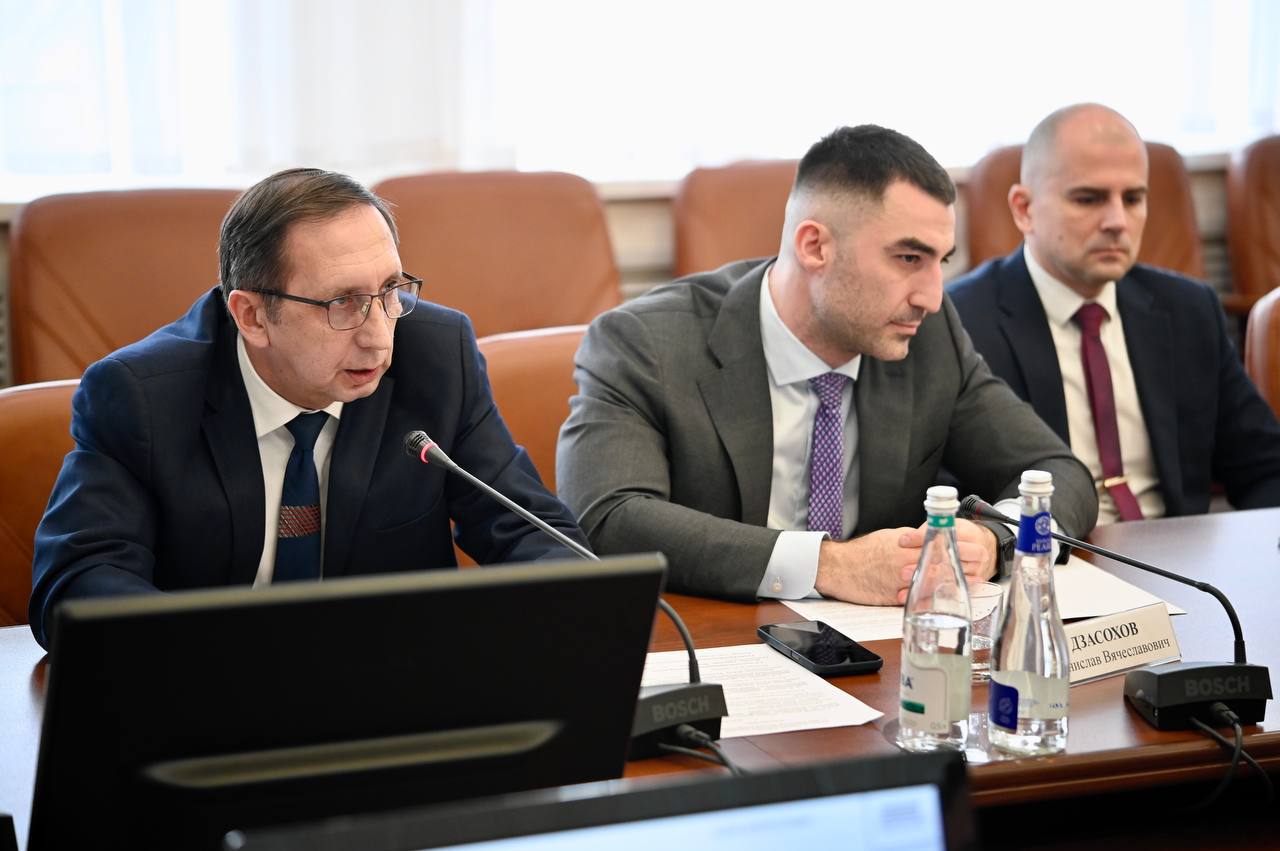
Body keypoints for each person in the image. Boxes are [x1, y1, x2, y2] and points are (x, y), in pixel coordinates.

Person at [29, 168, 586, 648]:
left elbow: (536, 536)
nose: (378, 337)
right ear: (251, 317)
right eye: (342, 302)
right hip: (216, 694)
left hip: (396, 688)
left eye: (390, 291)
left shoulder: (437, 358)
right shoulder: (143, 396)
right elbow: (79, 583)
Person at [556, 125, 1097, 605]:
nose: (932, 297)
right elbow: (607, 517)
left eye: (941, 262)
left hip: (878, 653)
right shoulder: (645, 343)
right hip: (720, 642)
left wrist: (996, 539)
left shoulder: (930, 339)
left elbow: (1058, 472)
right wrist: (830, 565)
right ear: (815, 246)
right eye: (908, 258)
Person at [949, 104, 1280, 524]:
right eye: (1088, 199)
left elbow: (1264, 467)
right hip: (1052, 551)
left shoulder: (1189, 309)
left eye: (1133, 198)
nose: (1117, 221)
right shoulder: (962, 320)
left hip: (1179, 553)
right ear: (1024, 209)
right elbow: (951, 494)